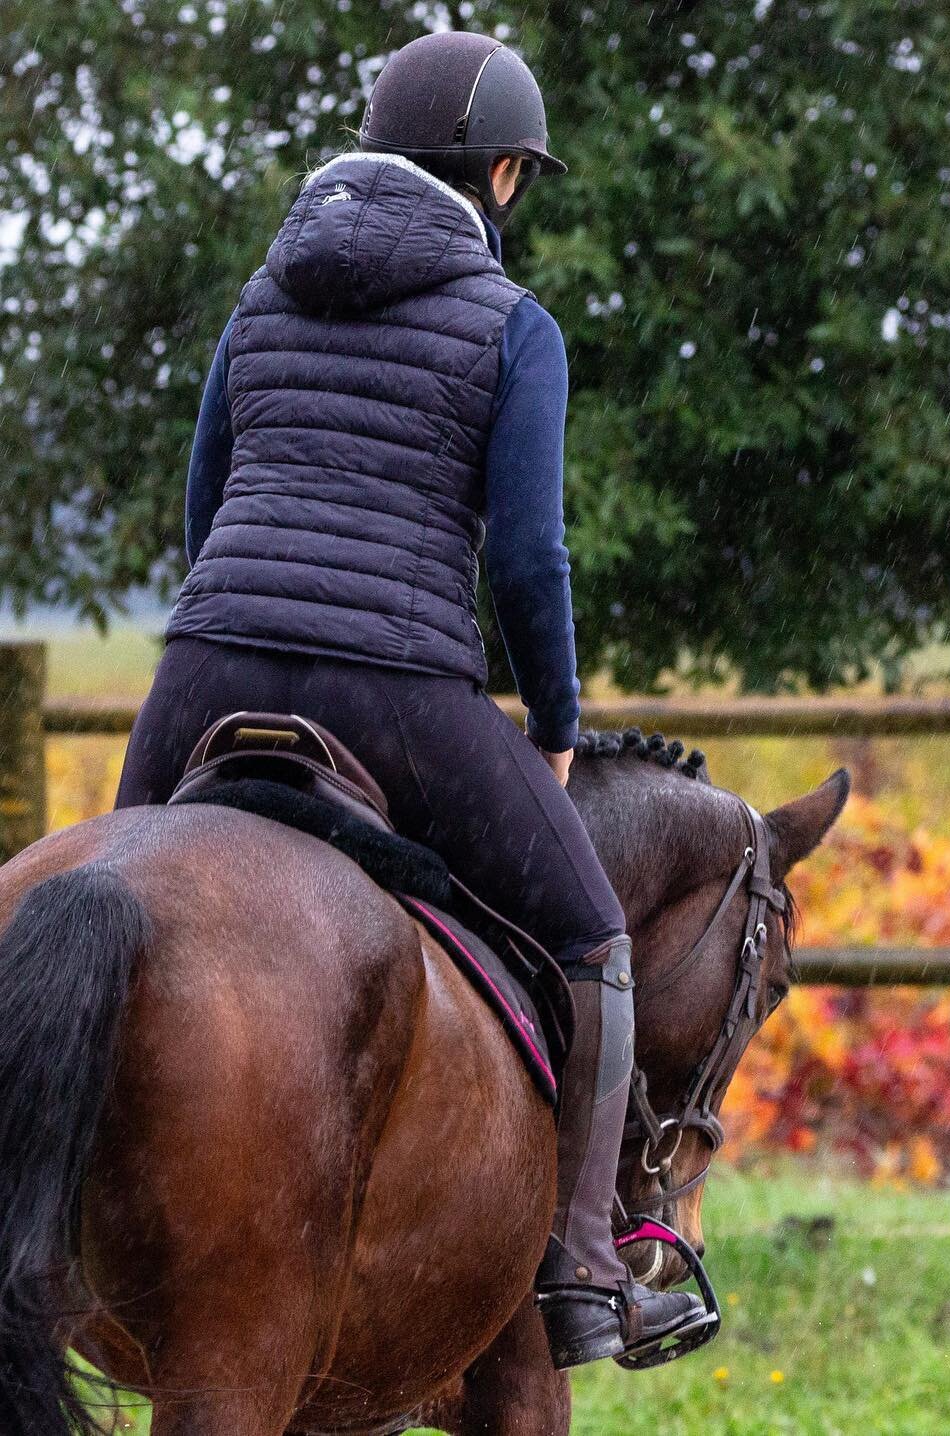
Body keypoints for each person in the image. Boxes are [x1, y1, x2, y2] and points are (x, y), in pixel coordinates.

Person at [113, 30, 707, 1371]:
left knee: (117, 905)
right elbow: (527, 559)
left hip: (205, 662)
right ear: (501, 174)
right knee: (592, 936)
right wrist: (553, 721)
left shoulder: (263, 296)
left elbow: (206, 501)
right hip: (393, 687)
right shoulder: (513, 325)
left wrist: (243, 617)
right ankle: (583, 1274)